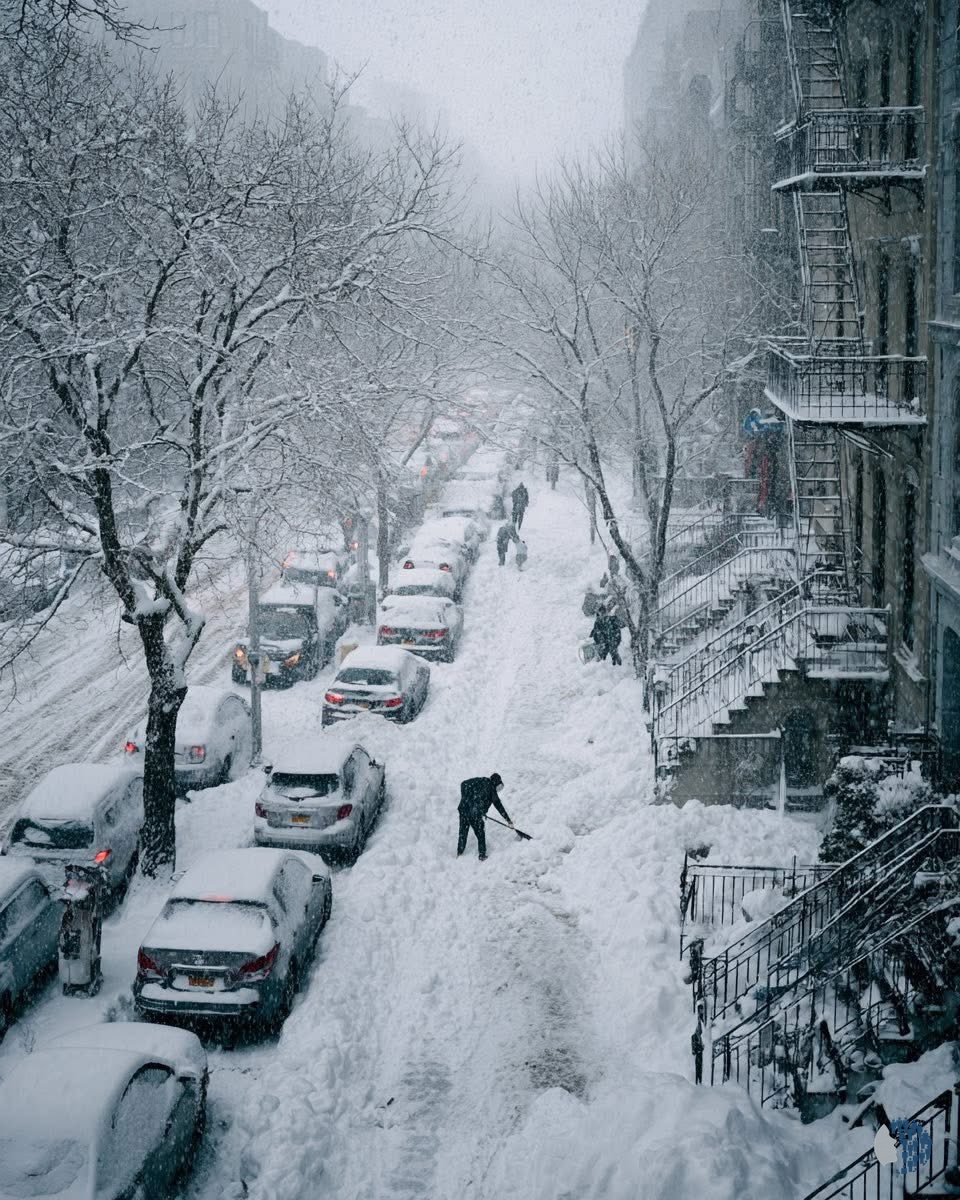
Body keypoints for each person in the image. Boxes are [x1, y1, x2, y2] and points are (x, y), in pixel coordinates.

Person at [457, 772, 513, 860]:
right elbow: (499, 806)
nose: (497, 790)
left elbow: (463, 784)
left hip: (463, 810)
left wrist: (466, 800)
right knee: (480, 833)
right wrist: (508, 820)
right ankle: (482, 855)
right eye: (498, 787)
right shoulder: (491, 788)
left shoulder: (480, 780)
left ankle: (459, 853)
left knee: (463, 832)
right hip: (474, 813)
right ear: (496, 782)